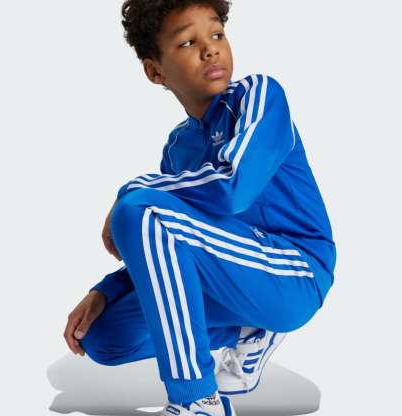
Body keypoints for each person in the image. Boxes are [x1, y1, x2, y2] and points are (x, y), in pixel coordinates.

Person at [63, 1, 337, 415]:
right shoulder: (178, 147)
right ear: (156, 71)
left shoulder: (259, 97)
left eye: (216, 34)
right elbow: (168, 247)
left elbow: (232, 188)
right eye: (188, 42)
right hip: (231, 277)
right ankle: (249, 330)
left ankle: (197, 400)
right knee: (102, 337)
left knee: (137, 211)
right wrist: (106, 290)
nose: (210, 49)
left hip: (294, 274)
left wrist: (132, 190)